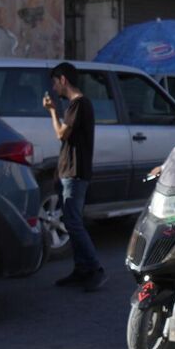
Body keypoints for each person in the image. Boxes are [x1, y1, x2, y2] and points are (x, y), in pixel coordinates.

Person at [43, 63, 106, 291]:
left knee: (73, 223)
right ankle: (82, 270)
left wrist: (52, 110)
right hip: (68, 172)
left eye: (54, 82)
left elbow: (62, 134)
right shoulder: (75, 104)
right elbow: (69, 143)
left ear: (63, 80)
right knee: (72, 223)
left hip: (76, 173)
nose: (53, 87)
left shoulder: (79, 103)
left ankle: (96, 269)